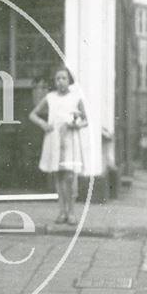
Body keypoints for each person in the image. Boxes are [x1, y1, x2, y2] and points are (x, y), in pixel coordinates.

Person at [30, 66, 88, 225]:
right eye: (57, 79)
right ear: (54, 81)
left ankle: (72, 212)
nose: (61, 82)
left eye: (64, 78)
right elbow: (33, 114)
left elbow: (86, 120)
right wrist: (43, 124)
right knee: (59, 176)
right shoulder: (50, 97)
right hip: (54, 139)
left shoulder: (76, 98)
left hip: (70, 140)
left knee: (70, 176)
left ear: (69, 80)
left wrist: (76, 125)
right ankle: (62, 211)